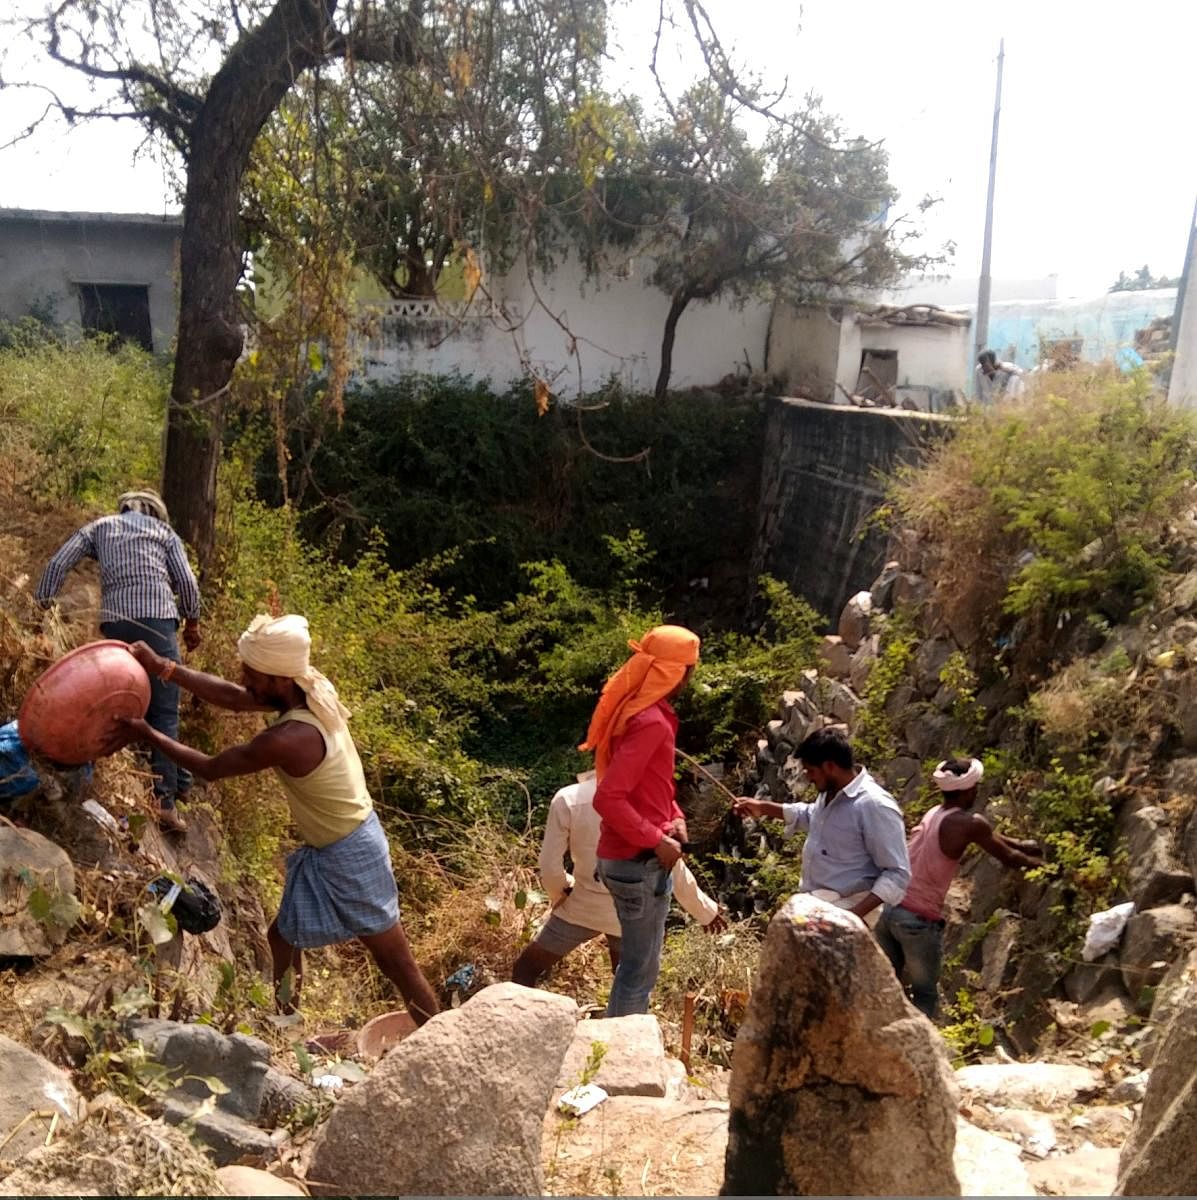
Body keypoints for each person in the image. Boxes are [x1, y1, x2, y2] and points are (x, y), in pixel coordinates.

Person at [118, 613, 440, 1025]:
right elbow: (235, 697)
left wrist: (146, 734)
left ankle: (437, 1033)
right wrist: (164, 667)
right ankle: (288, 1026)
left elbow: (212, 767)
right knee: (282, 937)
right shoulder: (308, 686)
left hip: (351, 851)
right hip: (340, 843)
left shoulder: (288, 739)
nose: (244, 678)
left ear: (277, 679)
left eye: (252, 673)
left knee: (395, 960)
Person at [36, 489, 201, 832]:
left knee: (123, 697)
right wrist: (193, 622)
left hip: (115, 623)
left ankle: (179, 779)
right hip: (157, 622)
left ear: (124, 507)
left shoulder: (100, 527)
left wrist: (42, 607)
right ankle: (165, 806)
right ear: (156, 513)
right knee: (165, 710)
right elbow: (186, 581)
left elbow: (58, 563)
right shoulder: (163, 532)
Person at [580, 624, 701, 1017]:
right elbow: (609, 796)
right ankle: (619, 1063)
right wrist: (657, 840)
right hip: (637, 861)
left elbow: (651, 787)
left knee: (639, 965)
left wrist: (676, 816)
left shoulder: (639, 712)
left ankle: (618, 1051)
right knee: (639, 971)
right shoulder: (650, 722)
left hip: (629, 856)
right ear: (677, 672)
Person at [512, 771, 725, 989]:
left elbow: (549, 868)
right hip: (632, 910)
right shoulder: (649, 801)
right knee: (626, 986)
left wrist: (563, 892)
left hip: (582, 906)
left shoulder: (568, 799)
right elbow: (672, 865)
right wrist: (705, 911)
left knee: (525, 970)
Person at [874, 756, 1042, 1019]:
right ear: (970, 789)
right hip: (917, 922)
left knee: (886, 989)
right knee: (925, 994)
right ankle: (921, 1054)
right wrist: (1044, 867)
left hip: (890, 912)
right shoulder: (968, 823)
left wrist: (1023, 844)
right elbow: (1007, 857)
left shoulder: (935, 813)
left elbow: (991, 837)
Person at [732, 726, 910, 927]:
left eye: (811, 770)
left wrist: (852, 917)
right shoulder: (830, 792)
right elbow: (810, 816)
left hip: (848, 913)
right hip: (817, 906)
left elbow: (897, 873)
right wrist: (763, 808)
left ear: (830, 766)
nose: (808, 776)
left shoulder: (874, 805)